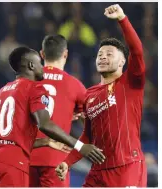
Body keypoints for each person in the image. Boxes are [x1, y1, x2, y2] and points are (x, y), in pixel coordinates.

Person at [0, 46, 105, 187]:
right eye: (39, 63)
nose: (42, 67)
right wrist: (79, 146)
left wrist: (45, 141)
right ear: (31, 65)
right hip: (12, 161)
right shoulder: (34, 87)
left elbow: (11, 135)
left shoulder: (1, 92)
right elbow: (44, 124)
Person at [56, 4, 147, 187]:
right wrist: (67, 162)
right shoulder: (89, 95)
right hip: (98, 172)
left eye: (109, 54)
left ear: (123, 61)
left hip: (127, 166)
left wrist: (122, 19)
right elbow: (88, 137)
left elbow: (136, 50)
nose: (103, 57)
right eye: (100, 54)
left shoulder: (130, 83)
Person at [29, 34, 87, 187]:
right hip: (56, 160)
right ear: (65, 54)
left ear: (42, 54)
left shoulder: (26, 82)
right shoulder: (75, 85)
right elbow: (91, 122)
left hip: (26, 157)